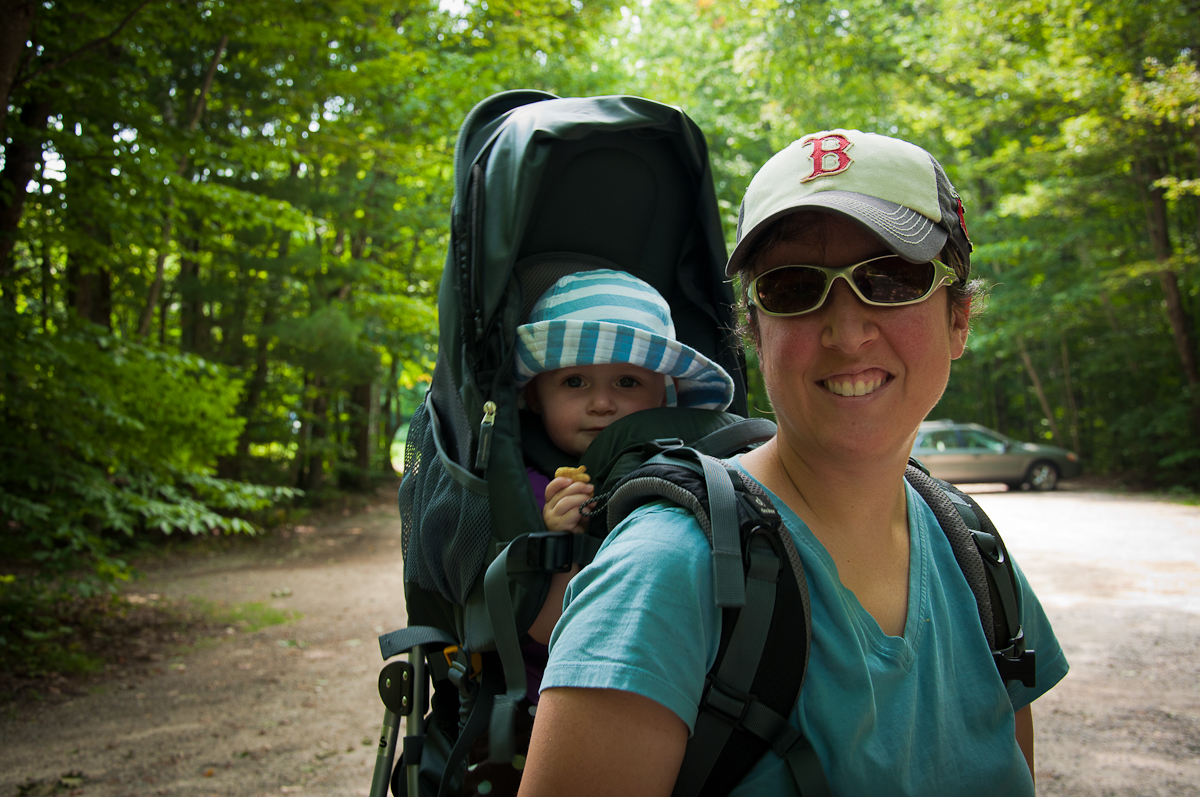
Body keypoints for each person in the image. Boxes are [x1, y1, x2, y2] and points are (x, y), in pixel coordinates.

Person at [519, 130, 1070, 796]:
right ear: (755, 333)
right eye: (793, 287)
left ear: (959, 318)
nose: (847, 330)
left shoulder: (976, 556)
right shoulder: (667, 570)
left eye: (891, 278)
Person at [459, 268, 737, 797]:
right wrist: (562, 543)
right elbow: (542, 632)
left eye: (627, 382)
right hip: (553, 699)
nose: (602, 403)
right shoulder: (536, 488)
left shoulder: (689, 476)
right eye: (574, 382)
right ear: (534, 397)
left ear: (664, 395)